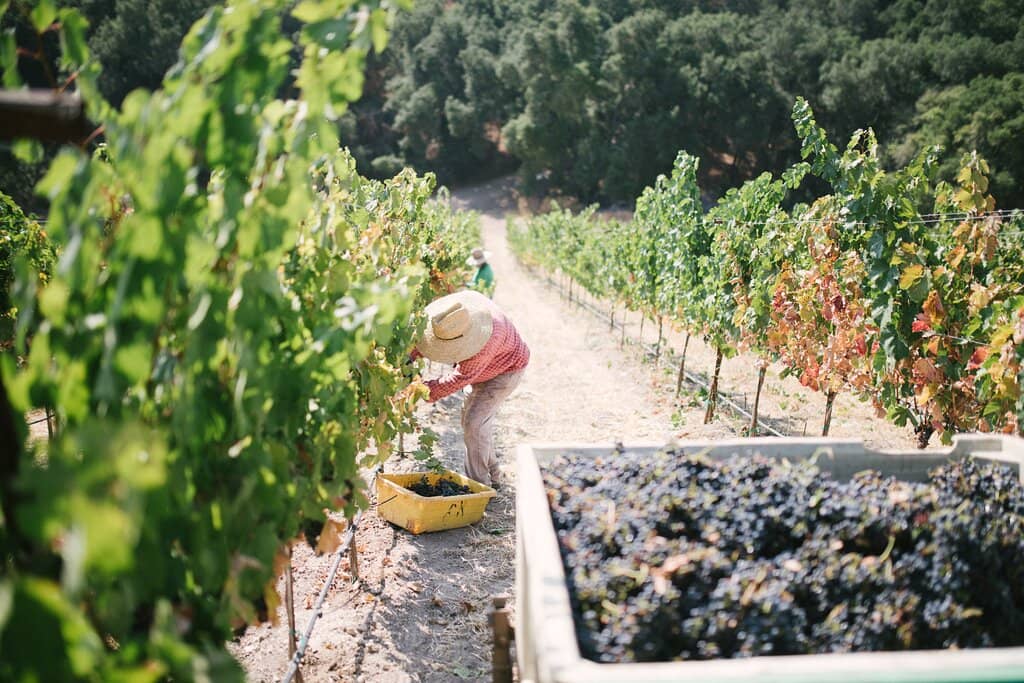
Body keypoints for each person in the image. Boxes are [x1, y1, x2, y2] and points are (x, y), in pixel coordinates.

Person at [411, 290, 529, 487]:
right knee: (473, 422)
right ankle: (494, 475)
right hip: (486, 368)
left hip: (506, 371)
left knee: (474, 424)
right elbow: (427, 339)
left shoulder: (487, 339)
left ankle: (480, 487)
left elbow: (460, 377)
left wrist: (423, 390)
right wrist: (411, 356)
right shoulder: (457, 315)